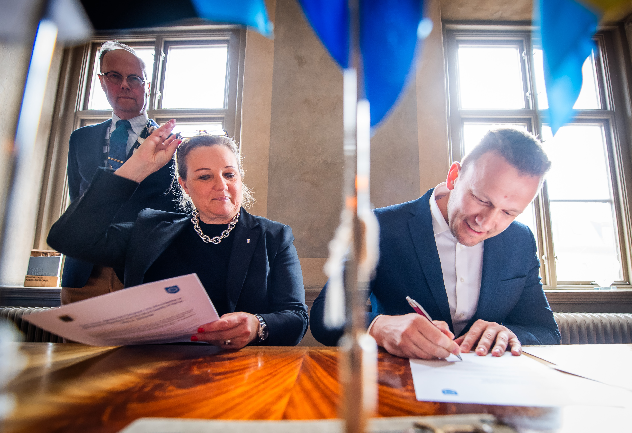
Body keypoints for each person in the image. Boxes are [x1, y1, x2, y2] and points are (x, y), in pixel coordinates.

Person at [48, 120, 309, 348]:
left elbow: (296, 317)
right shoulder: (151, 231)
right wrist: (136, 167)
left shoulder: (274, 236)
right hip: (158, 369)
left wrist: (256, 325)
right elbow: (69, 238)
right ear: (184, 185)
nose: (221, 185)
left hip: (242, 371)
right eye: (205, 177)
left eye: (229, 174)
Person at [311, 128, 561, 358]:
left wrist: (509, 334)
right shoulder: (376, 227)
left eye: (508, 213)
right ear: (454, 177)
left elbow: (546, 331)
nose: (486, 222)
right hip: (398, 383)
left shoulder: (521, 240)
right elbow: (325, 316)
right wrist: (377, 326)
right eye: (482, 200)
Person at [61, 41, 177, 304]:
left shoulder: (172, 143)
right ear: (102, 82)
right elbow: (77, 201)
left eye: (134, 78)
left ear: (147, 86)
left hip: (146, 273)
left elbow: (176, 212)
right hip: (84, 276)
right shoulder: (80, 139)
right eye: (115, 76)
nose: (125, 85)